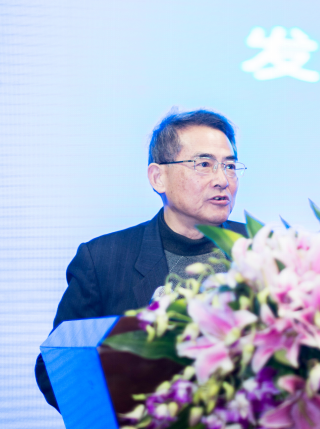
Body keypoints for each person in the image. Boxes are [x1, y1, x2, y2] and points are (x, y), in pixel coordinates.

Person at [35, 109, 247, 409]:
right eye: (204, 164)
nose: (222, 180)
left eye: (230, 166)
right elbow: (55, 369)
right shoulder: (102, 260)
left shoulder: (263, 250)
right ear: (158, 177)